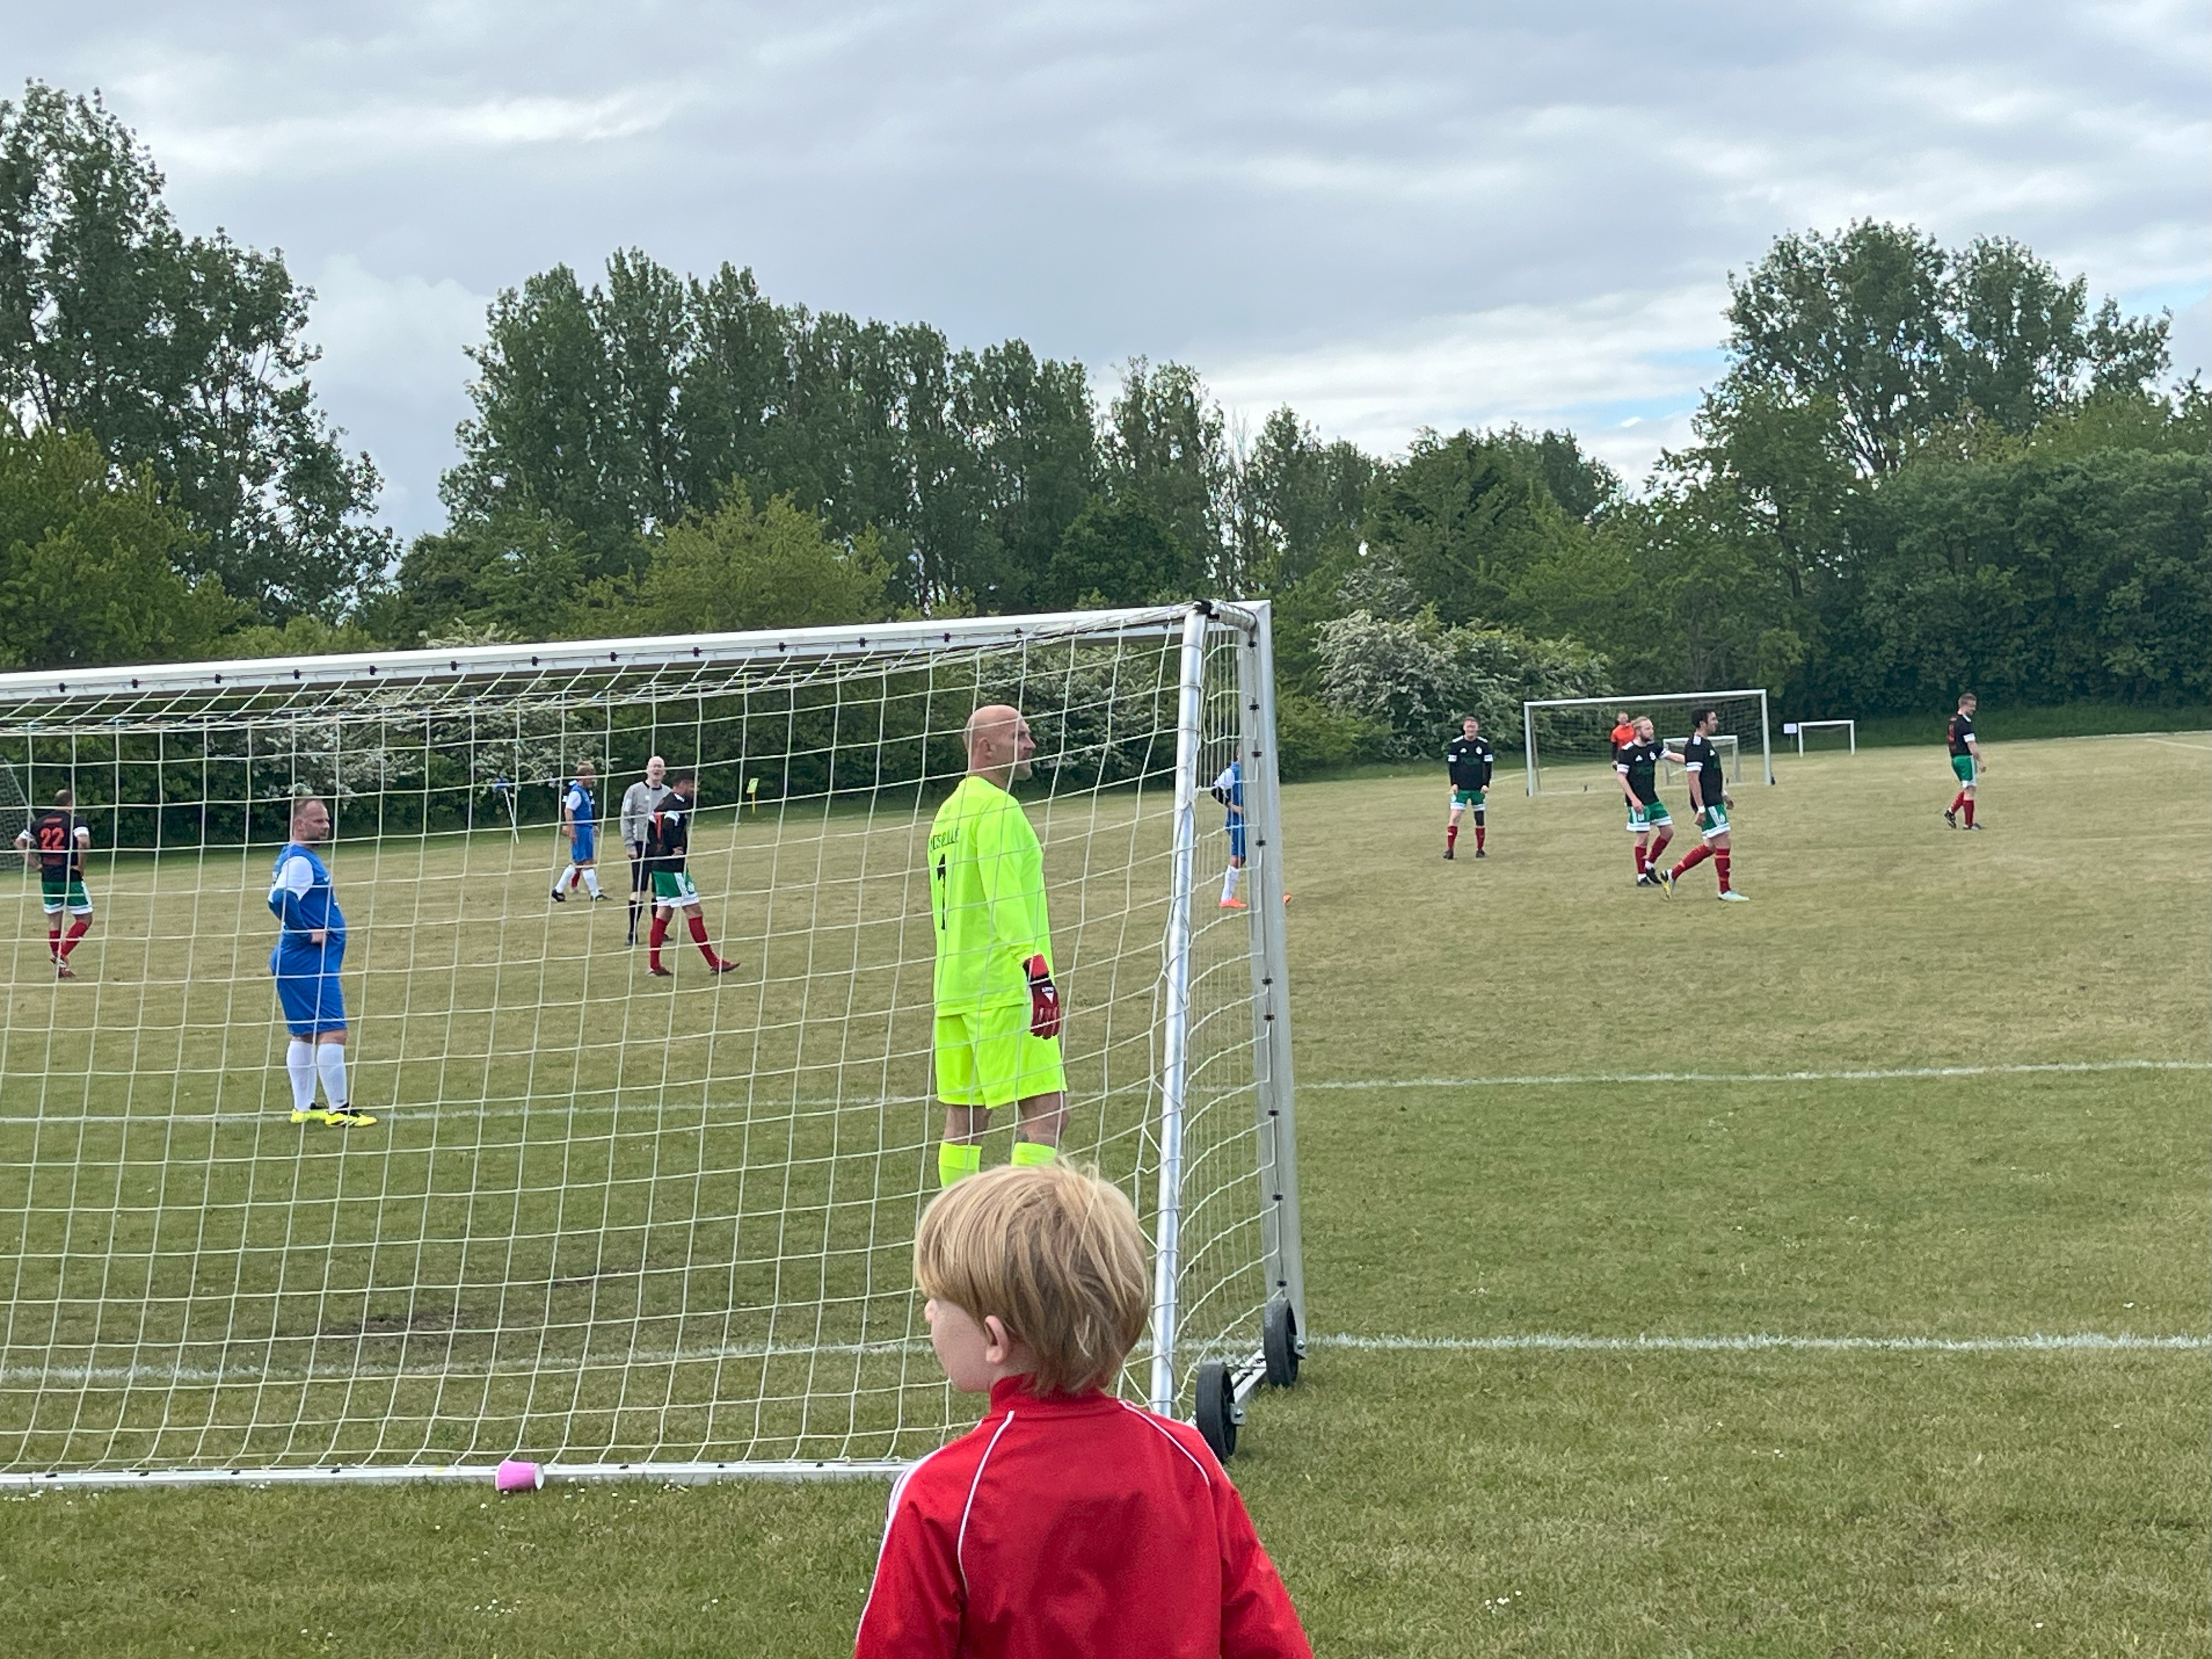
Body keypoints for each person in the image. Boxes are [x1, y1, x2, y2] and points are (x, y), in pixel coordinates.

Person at [853, 1163, 1313, 1659]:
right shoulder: (1186, 1458)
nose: (928, 1312)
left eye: (937, 1299)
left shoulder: (942, 1495)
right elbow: (1269, 1639)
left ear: (994, 1338)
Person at [929, 705, 1066, 1188]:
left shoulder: (949, 812)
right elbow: (1004, 901)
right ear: (986, 748)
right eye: (1020, 736)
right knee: (1047, 1112)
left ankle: (953, 1224)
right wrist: (1038, 975)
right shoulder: (999, 810)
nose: (1031, 745)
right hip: (1004, 988)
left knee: (964, 1119)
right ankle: (1023, 1222)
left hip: (955, 989)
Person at [268, 794, 374, 1127]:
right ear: (299, 824)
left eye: (327, 820)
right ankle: (339, 1111)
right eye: (319, 821)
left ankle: (303, 1108)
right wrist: (306, 933)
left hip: (296, 960)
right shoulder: (300, 861)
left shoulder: (296, 857)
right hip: (306, 960)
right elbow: (279, 899)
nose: (326, 826)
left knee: (304, 1033)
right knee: (333, 1031)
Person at [642, 771, 736, 978]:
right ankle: (715, 963)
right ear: (683, 784)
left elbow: (650, 826)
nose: (696, 790)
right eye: (694, 786)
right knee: (694, 910)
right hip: (673, 868)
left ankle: (655, 965)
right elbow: (668, 826)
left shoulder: (663, 802)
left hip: (659, 866)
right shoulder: (677, 805)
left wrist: (657, 850)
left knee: (664, 912)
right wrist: (672, 848)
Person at [1658, 707, 1747, 901]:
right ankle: (1725, 891)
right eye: (1713, 719)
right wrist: (1700, 808)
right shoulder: (1696, 745)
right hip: (1708, 803)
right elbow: (1693, 778)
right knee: (1723, 842)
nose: (1716, 722)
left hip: (1714, 799)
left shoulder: (1705, 744)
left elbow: (1711, 775)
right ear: (1702, 723)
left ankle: (1672, 874)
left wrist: (1724, 794)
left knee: (1711, 845)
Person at [16, 787, 94, 979]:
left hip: (48, 878)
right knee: (85, 918)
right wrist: (81, 866)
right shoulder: (75, 821)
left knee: (54, 920)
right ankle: (62, 953)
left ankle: (61, 969)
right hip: (69, 876)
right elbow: (84, 842)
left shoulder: (39, 823)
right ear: (70, 803)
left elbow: (19, 843)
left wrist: (36, 865)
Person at [1615, 715, 1681, 887]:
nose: (1651, 731)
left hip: (1652, 799)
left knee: (1668, 832)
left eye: (1652, 728)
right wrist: (1634, 800)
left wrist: (1695, 760)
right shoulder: (1628, 751)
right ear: (1638, 731)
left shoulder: (1653, 747)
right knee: (1643, 837)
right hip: (1638, 801)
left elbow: (1672, 756)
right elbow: (1621, 777)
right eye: (1648, 729)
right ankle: (1641, 877)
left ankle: (1649, 864)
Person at [620, 757, 672, 945]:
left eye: (660, 767)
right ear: (647, 770)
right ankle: (632, 933)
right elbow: (626, 818)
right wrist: (630, 845)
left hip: (661, 847)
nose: (656, 770)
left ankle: (658, 932)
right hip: (641, 845)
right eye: (654, 766)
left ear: (664, 771)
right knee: (639, 889)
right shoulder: (635, 791)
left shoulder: (668, 793)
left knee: (660, 891)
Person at [550, 760, 605, 903]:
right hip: (581, 830)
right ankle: (595, 894)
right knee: (586, 861)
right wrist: (572, 830)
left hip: (586, 829)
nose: (593, 779)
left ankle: (558, 890)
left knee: (580, 862)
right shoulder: (576, 793)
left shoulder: (584, 792)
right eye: (591, 776)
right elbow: (568, 811)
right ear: (583, 776)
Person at [1442, 715, 1493, 860]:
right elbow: (1452, 766)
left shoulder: (1484, 745)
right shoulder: (1456, 745)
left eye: (1473, 726)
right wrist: (1453, 783)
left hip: (1478, 788)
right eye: (1468, 726)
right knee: (1455, 816)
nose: (1471, 729)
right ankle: (1450, 850)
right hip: (1462, 788)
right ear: (1464, 728)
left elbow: (1488, 766)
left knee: (1479, 819)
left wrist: (1486, 784)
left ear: (1477, 728)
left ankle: (1480, 850)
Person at [1944, 693, 1987, 829]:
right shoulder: (1965, 723)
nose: (1974, 709)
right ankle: (1969, 824)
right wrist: (1980, 761)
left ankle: (1951, 812)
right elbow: (1971, 744)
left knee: (1967, 787)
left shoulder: (1952, 721)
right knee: (1970, 790)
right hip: (1965, 758)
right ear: (1964, 705)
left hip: (1955, 758)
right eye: (1972, 706)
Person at [1212, 758, 1248, 907]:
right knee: (1239, 857)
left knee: (1261, 854)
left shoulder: (1253, 770)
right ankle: (1226, 898)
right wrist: (1233, 807)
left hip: (1254, 821)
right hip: (1238, 822)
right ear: (1239, 755)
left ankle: (1272, 895)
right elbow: (1215, 790)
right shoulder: (1232, 773)